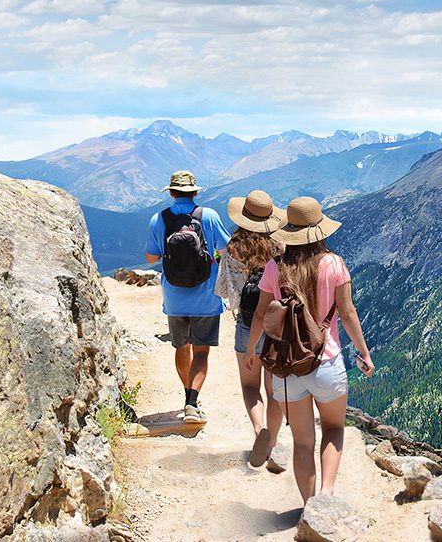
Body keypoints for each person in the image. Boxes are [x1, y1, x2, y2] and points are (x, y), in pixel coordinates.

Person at [245, 196, 375, 503]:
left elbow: (261, 314)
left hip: (286, 367)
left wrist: (251, 350)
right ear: (319, 230)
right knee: (333, 430)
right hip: (326, 363)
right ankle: (325, 497)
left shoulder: (275, 268)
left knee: (302, 442)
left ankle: (308, 506)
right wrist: (364, 352)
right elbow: (347, 313)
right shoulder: (334, 264)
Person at [144, 170, 231, 423]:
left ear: (171, 193)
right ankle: (192, 403)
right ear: (194, 192)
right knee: (201, 351)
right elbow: (225, 248)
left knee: (181, 347)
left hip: (174, 297)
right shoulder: (209, 216)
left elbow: (151, 257)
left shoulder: (159, 219)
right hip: (206, 297)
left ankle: (188, 397)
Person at [215, 190, 288, 471]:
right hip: (276, 326)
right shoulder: (280, 248)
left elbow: (223, 291)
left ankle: (259, 431)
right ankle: (272, 445)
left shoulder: (233, 248)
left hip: (247, 324)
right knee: (274, 390)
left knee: (249, 386)